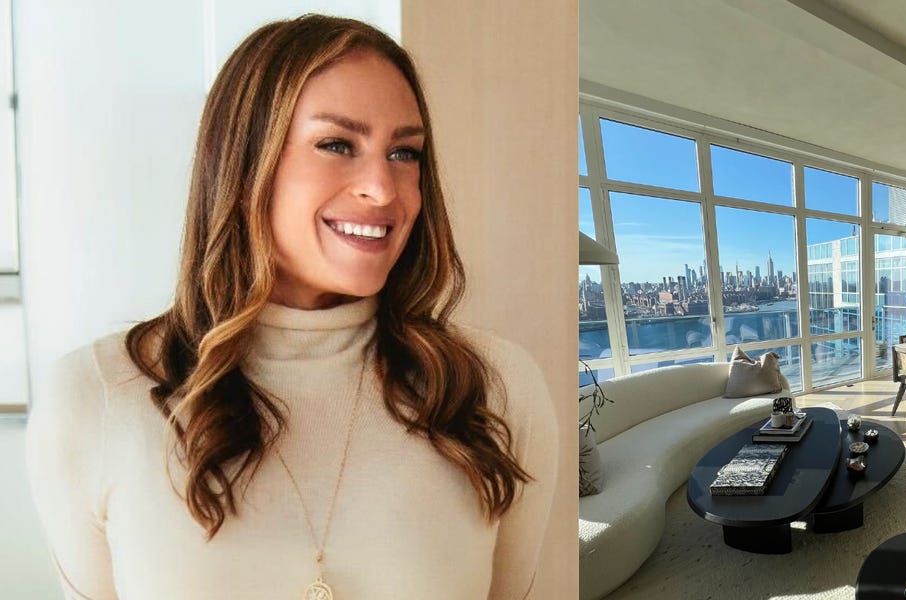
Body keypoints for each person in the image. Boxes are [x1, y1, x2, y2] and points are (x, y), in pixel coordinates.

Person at [25, 14, 557, 600]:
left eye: (405, 154)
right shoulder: (96, 397)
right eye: (337, 144)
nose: (382, 189)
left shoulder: (495, 388)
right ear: (244, 160)